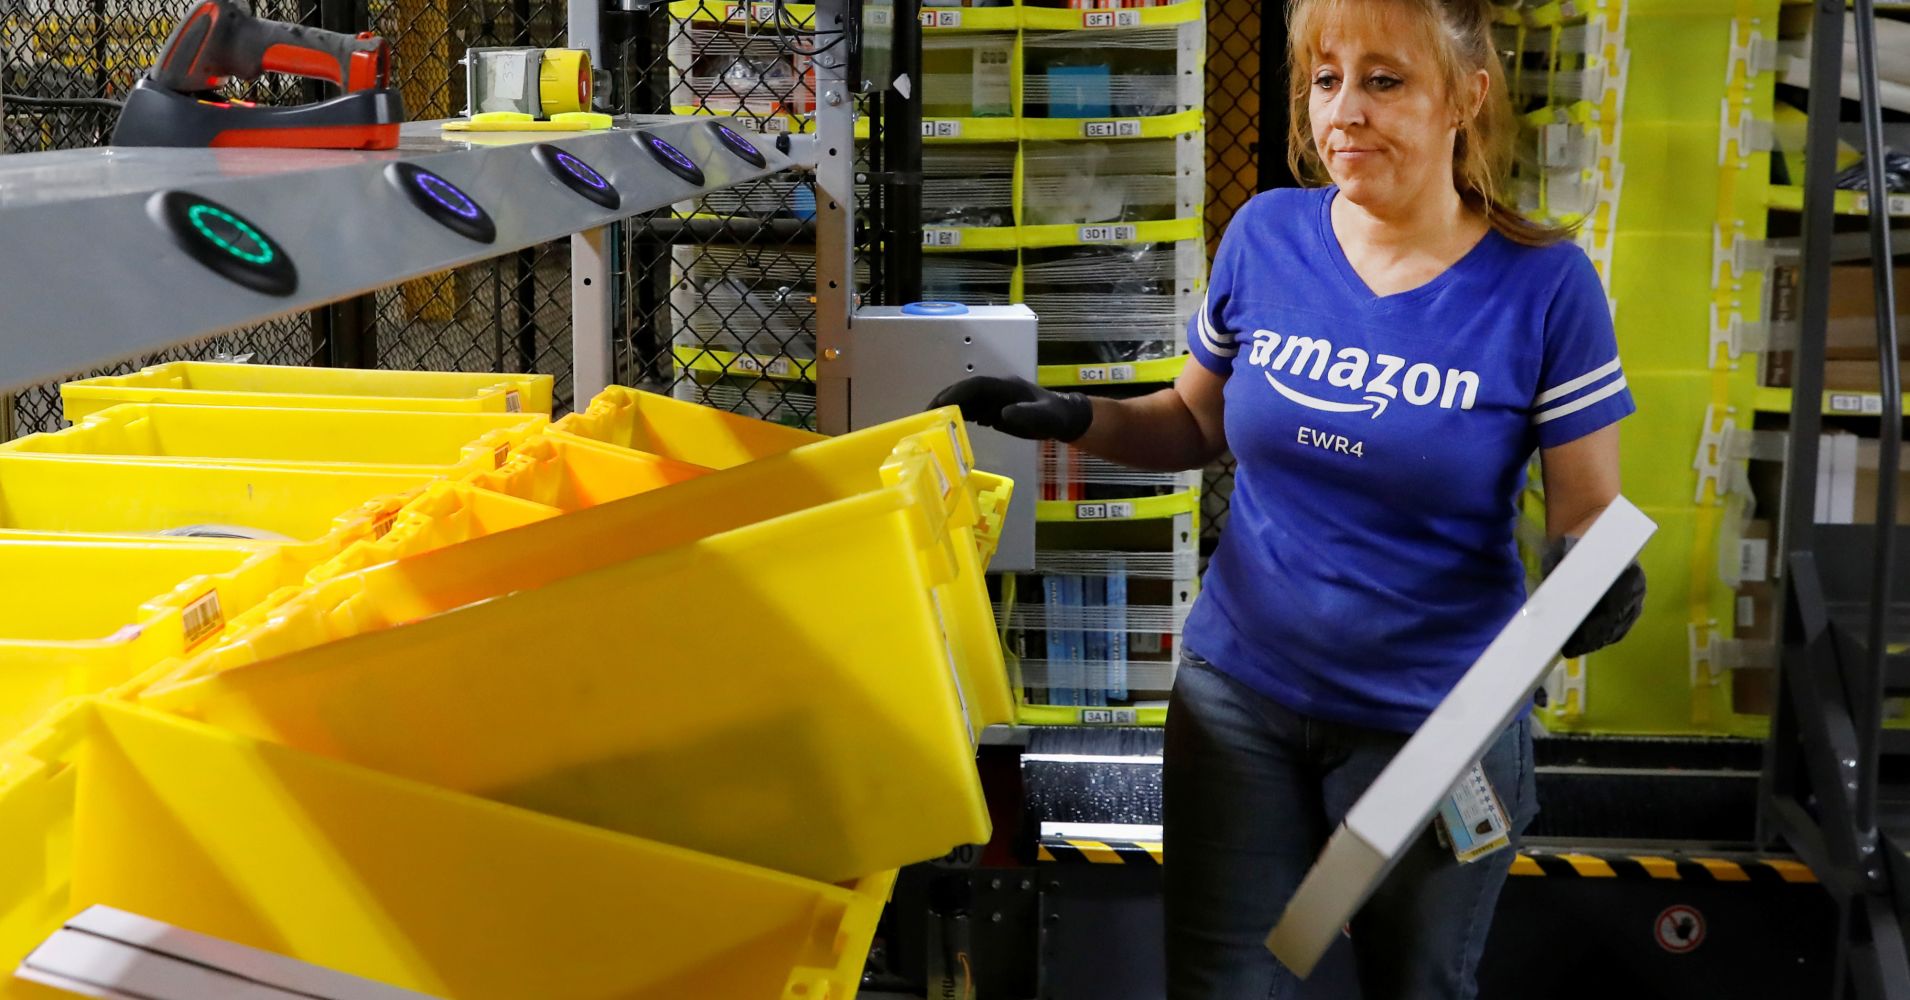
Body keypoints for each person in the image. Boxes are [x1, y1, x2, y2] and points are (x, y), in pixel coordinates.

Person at [929, 0, 1645, 995]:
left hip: (1427, 726)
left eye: (1383, 80)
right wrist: (1067, 414)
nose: (1343, 110)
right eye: (1324, 78)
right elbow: (1193, 422)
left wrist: (1596, 572)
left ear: (1463, 98)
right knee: (1225, 982)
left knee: (1413, 981)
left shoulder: (1542, 285)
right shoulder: (1267, 235)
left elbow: (1585, 508)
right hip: (1238, 703)